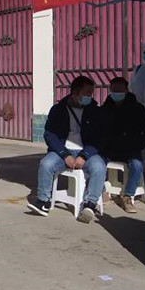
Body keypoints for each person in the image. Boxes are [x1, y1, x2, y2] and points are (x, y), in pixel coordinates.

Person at [27, 75, 106, 224]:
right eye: (87, 93)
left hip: (87, 152)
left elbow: (99, 137)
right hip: (63, 151)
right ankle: (43, 201)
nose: (90, 96)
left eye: (91, 93)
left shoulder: (95, 111)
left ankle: (90, 204)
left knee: (99, 166)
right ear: (75, 92)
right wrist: (65, 155)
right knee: (46, 164)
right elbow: (50, 135)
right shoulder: (58, 110)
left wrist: (84, 155)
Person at [99, 77, 145, 213]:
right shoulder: (104, 109)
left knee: (137, 166)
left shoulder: (137, 108)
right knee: (95, 163)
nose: (117, 93)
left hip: (130, 149)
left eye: (120, 91)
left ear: (126, 90)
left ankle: (128, 196)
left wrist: (138, 144)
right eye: (114, 90)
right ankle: (102, 191)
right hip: (108, 149)